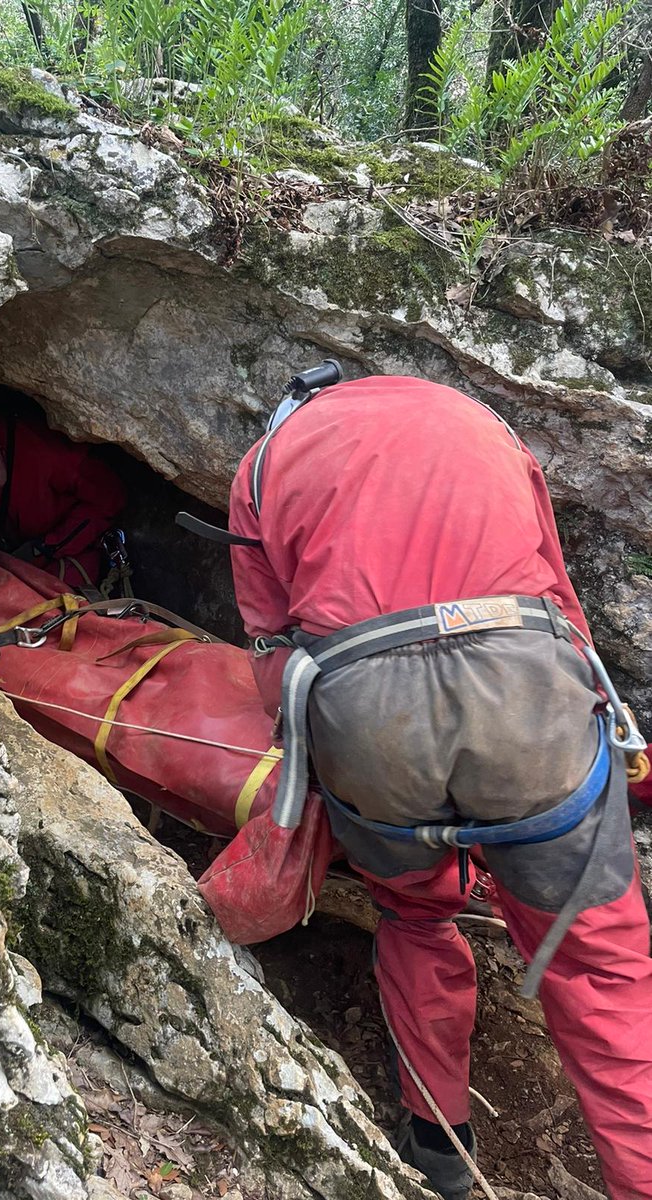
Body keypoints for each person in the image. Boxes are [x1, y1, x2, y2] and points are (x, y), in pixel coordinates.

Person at [227, 374, 652, 1200]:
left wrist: (321, 760)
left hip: (368, 716)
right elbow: (556, 589)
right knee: (597, 967)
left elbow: (271, 652)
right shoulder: (481, 422)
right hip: (524, 691)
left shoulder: (262, 464)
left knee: (416, 919)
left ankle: (443, 1157)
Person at [0, 388, 127, 590]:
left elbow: (110, 496)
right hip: (14, 553)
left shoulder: (48, 455)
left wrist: (48, 546)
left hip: (72, 553)